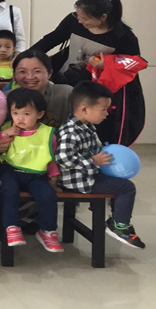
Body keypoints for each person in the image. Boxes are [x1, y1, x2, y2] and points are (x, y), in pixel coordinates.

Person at [32, 0, 145, 146]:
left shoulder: (123, 36)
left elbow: (134, 63)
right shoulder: (73, 21)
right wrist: (26, 57)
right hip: (65, 78)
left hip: (94, 89)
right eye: (78, 16)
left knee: (90, 124)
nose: (79, 21)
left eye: (85, 18)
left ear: (103, 17)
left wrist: (107, 64)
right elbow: (51, 39)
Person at [56, 81, 145, 249]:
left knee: (118, 182)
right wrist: (93, 161)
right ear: (84, 109)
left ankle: (117, 219)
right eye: (103, 109)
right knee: (126, 188)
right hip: (78, 180)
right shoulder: (70, 131)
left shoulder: (86, 126)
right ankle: (120, 225)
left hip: (87, 175)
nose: (106, 114)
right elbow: (63, 158)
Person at [0, 88, 63, 252]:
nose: (20, 118)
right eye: (15, 113)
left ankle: (47, 231)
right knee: (9, 191)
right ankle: (12, 227)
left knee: (48, 195)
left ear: (39, 114)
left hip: (36, 175)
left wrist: (54, 178)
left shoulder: (48, 134)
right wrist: (5, 134)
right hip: (10, 171)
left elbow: (50, 157)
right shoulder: (7, 128)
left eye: (26, 114)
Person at [4, 49, 73, 128]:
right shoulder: (5, 98)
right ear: (14, 75)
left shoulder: (66, 94)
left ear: (49, 74)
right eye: (22, 72)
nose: (30, 77)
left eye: (37, 71)